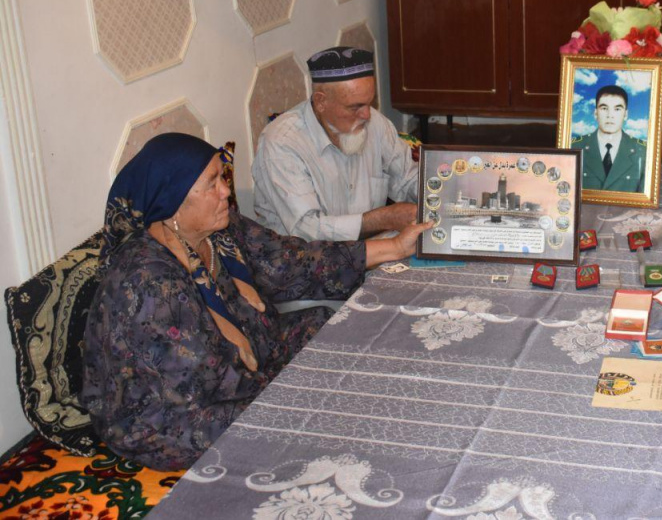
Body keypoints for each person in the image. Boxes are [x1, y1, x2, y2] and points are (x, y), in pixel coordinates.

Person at [81, 133, 430, 471]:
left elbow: (291, 261)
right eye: (213, 182)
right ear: (172, 199)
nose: (226, 191)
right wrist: (298, 387)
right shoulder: (149, 282)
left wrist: (395, 247)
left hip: (244, 365)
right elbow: (200, 380)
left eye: (223, 177)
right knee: (309, 408)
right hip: (175, 416)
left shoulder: (220, 229)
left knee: (329, 326)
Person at [253, 47, 418, 241]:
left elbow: (408, 178)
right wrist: (384, 219)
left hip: (372, 251)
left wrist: (442, 193)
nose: (366, 115)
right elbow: (308, 230)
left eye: (369, 103)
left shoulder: (375, 123)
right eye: (355, 107)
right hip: (310, 262)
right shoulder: (282, 143)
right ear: (321, 102)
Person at [572, 84, 646, 192]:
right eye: (604, 108)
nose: (610, 115)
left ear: (625, 114)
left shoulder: (643, 151)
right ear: (595, 113)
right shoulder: (574, 147)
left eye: (617, 109)